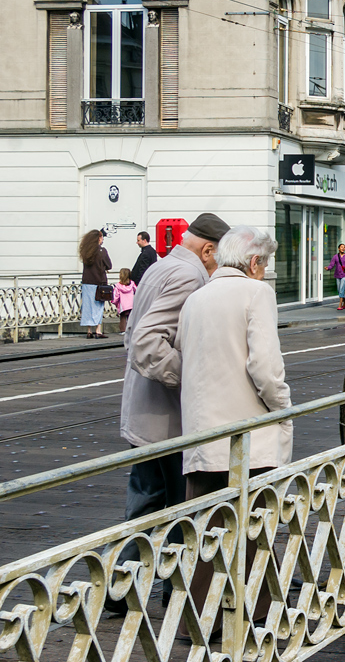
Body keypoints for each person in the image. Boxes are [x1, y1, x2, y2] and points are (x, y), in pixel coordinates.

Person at [108, 213, 229, 615]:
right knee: (183, 507)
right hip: (167, 419)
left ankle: (122, 586)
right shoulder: (190, 277)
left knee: (145, 501)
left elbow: (132, 334)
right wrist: (190, 378)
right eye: (219, 259)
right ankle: (174, 590)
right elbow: (146, 342)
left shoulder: (160, 266)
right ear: (208, 250)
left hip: (142, 413)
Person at [177, 225, 291, 628]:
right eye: (266, 263)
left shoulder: (196, 299)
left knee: (207, 535)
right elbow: (264, 367)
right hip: (245, 439)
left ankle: (201, 622)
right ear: (255, 263)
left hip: (201, 438)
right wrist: (283, 406)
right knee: (254, 529)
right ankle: (259, 618)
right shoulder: (256, 294)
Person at [79, 228, 112, 338]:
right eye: (102, 237)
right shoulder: (102, 251)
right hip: (99, 282)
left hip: (87, 281)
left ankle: (89, 330)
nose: (102, 239)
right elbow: (109, 265)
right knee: (98, 306)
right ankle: (98, 330)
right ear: (98, 239)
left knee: (88, 306)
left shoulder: (86, 251)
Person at [326, 243, 345, 310]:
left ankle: (340, 305)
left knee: (341, 289)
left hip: (344, 275)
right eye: (341, 247)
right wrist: (328, 268)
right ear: (338, 248)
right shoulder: (335, 256)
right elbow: (332, 264)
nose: (343, 248)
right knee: (339, 290)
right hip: (337, 275)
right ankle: (344, 301)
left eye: (344, 247)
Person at [112, 268, 136, 334]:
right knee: (130, 318)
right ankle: (131, 329)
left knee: (123, 318)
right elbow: (136, 290)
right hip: (131, 304)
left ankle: (123, 330)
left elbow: (116, 296)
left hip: (123, 305)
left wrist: (114, 302)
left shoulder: (118, 286)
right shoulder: (132, 284)